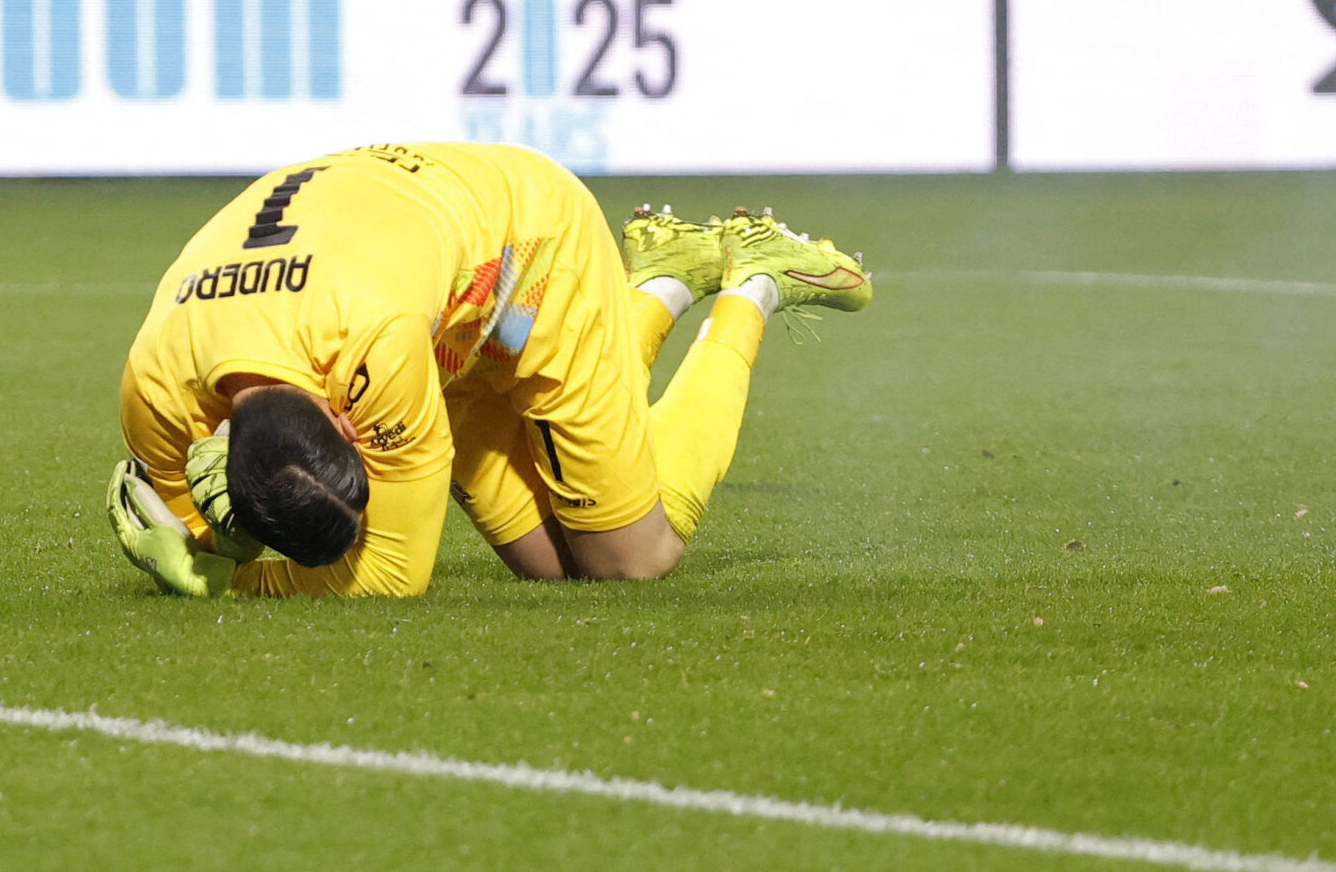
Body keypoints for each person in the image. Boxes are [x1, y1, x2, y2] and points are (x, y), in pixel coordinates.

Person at [108, 145, 872, 598]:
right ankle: (660, 279)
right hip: (433, 290)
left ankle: (753, 285)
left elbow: (392, 576)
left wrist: (219, 576)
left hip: (527, 259)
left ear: (349, 419)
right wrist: (204, 538)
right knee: (554, 571)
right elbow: (202, 521)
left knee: (629, 561)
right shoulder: (153, 387)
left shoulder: (376, 348)